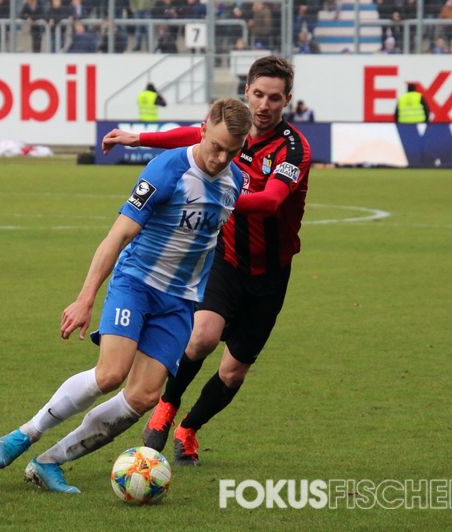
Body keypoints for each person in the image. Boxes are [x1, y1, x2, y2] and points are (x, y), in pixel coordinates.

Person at [0, 98, 251, 493]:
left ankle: (49, 462)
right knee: (111, 373)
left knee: (144, 397)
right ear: (202, 130)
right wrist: (85, 298)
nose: (221, 159)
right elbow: (118, 236)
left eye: (233, 151)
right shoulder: (166, 170)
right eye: (216, 147)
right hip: (136, 283)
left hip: (180, 302)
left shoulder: (236, 181)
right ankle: (28, 432)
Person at [102, 55, 312, 466]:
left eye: (274, 98)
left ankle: (189, 427)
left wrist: (214, 198)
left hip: (271, 271)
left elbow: (271, 201)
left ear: (287, 100)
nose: (264, 105)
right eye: (258, 94)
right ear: (246, 91)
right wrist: (138, 138)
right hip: (225, 257)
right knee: (201, 338)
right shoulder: (233, 132)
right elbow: (194, 135)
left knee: (233, 372)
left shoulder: (294, 149)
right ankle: (167, 406)